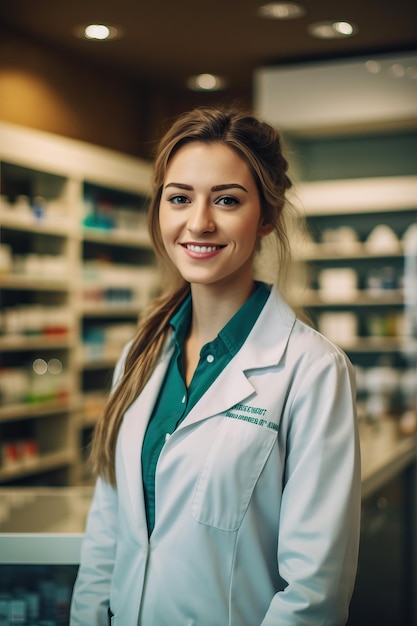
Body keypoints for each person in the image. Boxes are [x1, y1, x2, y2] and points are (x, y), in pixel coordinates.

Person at [70, 106, 361, 626]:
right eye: (179, 198)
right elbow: (107, 535)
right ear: (159, 209)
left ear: (267, 217)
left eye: (227, 200)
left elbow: (316, 589)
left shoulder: (312, 369)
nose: (198, 222)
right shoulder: (140, 354)